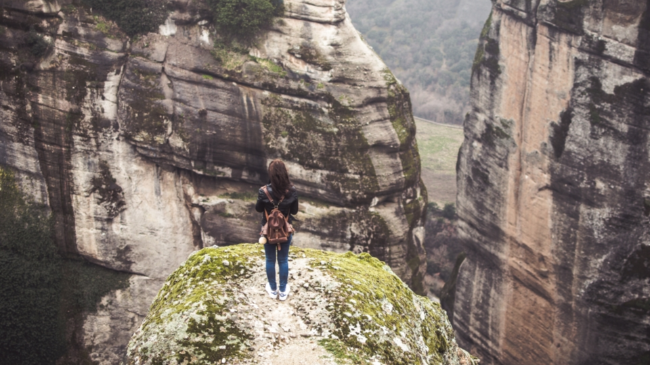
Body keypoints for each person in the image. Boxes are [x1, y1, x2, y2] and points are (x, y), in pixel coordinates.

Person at [255, 159, 298, 301]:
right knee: (283, 260)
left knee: (270, 259)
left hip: (267, 232)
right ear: (285, 173)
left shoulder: (263, 191)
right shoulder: (292, 191)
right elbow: (295, 211)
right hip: (285, 230)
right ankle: (283, 290)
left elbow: (258, 209)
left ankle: (273, 290)